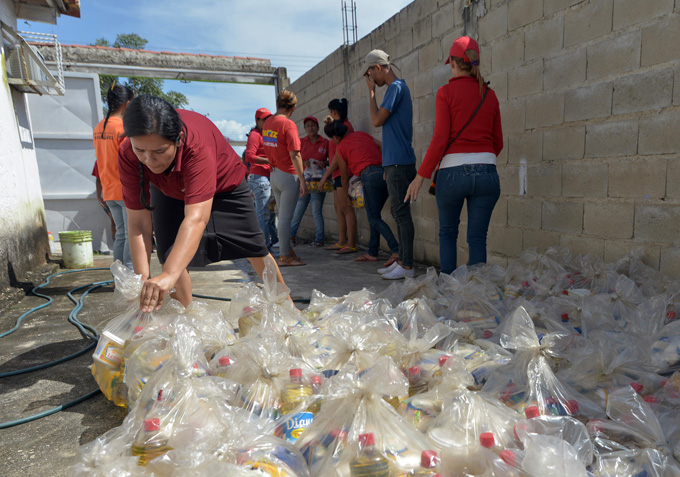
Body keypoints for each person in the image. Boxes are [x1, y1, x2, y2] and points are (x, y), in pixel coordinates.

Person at [118, 95, 286, 312]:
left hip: (225, 185)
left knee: (254, 246)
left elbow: (196, 217)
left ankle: (287, 307)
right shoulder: (127, 152)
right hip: (168, 189)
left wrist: (168, 276)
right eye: (140, 150)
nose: (149, 160)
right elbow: (139, 223)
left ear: (178, 139)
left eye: (159, 151)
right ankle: (188, 317)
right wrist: (143, 283)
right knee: (170, 253)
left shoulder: (196, 145)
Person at [405, 36, 502, 274]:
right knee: (478, 238)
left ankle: (448, 295)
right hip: (488, 173)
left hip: (453, 174)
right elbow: (498, 142)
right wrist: (482, 161)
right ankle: (478, 298)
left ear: (453, 63)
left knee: (448, 233)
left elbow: (440, 140)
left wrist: (420, 176)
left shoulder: (445, 93)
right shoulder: (490, 95)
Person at [363, 49, 417, 279]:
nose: (370, 80)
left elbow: (376, 121)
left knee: (401, 214)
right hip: (394, 163)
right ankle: (403, 262)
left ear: (378, 67)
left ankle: (407, 266)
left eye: (370, 74)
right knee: (398, 212)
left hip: (400, 163)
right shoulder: (397, 89)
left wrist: (372, 93)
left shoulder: (395, 88)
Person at [321, 121, 399, 269]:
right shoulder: (362, 135)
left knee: (374, 217)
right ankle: (372, 252)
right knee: (374, 216)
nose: (332, 141)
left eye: (331, 138)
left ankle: (396, 250)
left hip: (369, 176)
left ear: (335, 137)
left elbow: (344, 177)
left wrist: (345, 196)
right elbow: (382, 145)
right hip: (385, 174)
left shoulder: (341, 147)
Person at [262, 90, 308, 266]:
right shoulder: (288, 125)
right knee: (286, 218)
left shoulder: (268, 123)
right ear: (293, 107)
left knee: (282, 215)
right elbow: (295, 154)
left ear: (277, 104)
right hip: (288, 175)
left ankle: (287, 251)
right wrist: (302, 179)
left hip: (274, 173)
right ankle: (284, 256)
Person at [93, 82, 134, 269]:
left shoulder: (98, 128)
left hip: (109, 191)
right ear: (127, 103)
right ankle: (129, 276)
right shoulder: (123, 128)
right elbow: (131, 159)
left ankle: (118, 278)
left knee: (121, 235)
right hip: (125, 190)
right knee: (132, 235)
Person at [323, 98, 358, 255]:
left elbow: (339, 156)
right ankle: (342, 241)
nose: (330, 113)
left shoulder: (344, 128)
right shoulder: (336, 126)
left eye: (332, 111)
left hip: (343, 172)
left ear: (335, 111)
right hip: (336, 173)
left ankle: (351, 244)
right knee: (339, 208)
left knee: (346, 208)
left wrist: (325, 176)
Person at [289, 116, 329, 247]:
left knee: (316, 210)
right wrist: (303, 162)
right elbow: (293, 158)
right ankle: (290, 237)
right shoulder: (301, 142)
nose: (310, 128)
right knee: (299, 209)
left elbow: (333, 159)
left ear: (318, 127)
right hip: (305, 182)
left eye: (313, 125)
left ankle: (319, 239)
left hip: (319, 182)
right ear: (305, 129)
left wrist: (325, 163)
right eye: (308, 126)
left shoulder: (325, 142)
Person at [245, 107, 279, 254]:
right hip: (260, 178)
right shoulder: (255, 134)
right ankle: (264, 249)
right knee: (263, 215)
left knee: (269, 216)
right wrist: (269, 160)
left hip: (268, 178)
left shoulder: (268, 134)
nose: (267, 122)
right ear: (257, 120)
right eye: (264, 119)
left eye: (268, 119)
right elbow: (249, 156)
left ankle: (273, 243)